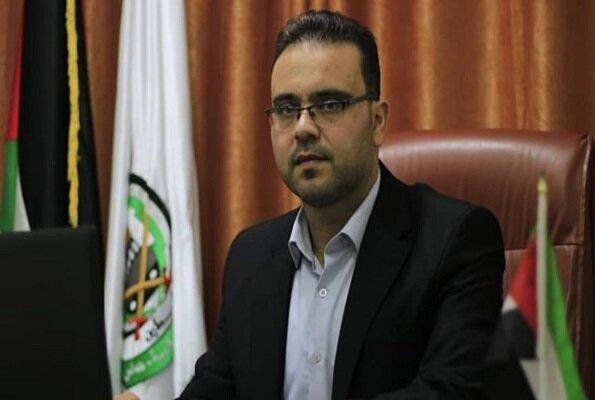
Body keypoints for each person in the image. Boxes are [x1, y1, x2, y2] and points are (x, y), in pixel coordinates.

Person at [177, 9, 505, 400]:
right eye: (287, 109)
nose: (303, 128)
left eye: (329, 103)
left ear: (377, 121)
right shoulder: (250, 257)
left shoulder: (455, 241)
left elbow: (450, 391)